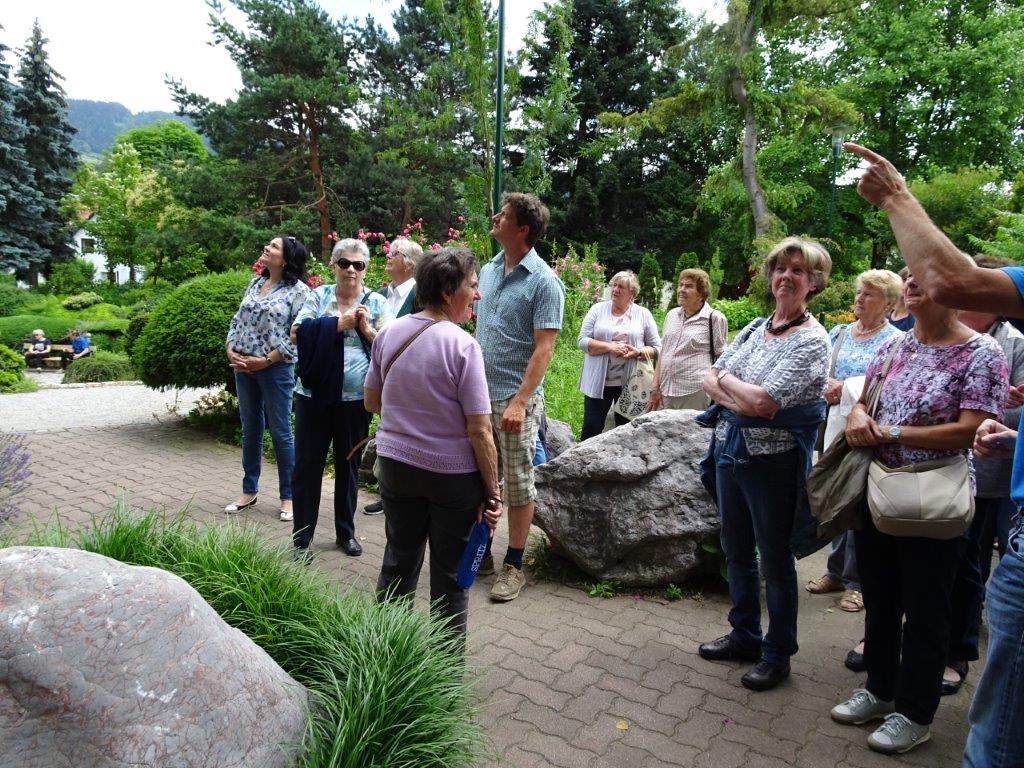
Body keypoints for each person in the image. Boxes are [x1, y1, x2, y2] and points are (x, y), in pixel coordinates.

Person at [830, 268, 1007, 754]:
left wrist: (892, 433)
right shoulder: (897, 345)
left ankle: (914, 713)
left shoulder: (981, 353)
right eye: (907, 276)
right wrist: (859, 414)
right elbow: (865, 398)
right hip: (879, 491)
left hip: (935, 499)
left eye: (924, 277)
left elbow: (972, 428)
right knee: (881, 597)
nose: (910, 283)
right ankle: (879, 689)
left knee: (927, 608)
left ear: (954, 290)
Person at [697, 236, 832, 692]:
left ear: (814, 283)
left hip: (773, 463)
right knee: (736, 549)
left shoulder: (812, 341)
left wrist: (729, 384)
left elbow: (764, 401)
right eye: (780, 268)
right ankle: (745, 635)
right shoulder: (757, 326)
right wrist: (734, 390)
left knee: (775, 560)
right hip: (730, 450)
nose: (786, 276)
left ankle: (778, 654)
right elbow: (709, 378)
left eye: (798, 270)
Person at [365, 248, 502, 641]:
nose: (477, 294)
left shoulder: (389, 333)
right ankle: (442, 674)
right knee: (450, 580)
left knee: (398, 564)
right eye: (472, 285)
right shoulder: (463, 346)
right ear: (447, 291)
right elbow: (480, 431)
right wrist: (493, 492)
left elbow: (372, 401)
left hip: (396, 468)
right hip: (452, 481)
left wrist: (410, 420)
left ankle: (383, 658)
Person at [475, 192, 564, 602]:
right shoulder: (488, 270)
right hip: (477, 398)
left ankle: (514, 565)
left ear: (522, 229)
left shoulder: (545, 281)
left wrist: (521, 401)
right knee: (479, 480)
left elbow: (544, 349)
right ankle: (481, 553)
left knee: (517, 484)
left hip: (514, 401)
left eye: (504, 215)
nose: (495, 217)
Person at [942, 257, 1024, 698]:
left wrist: (1006, 404)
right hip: (956, 471)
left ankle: (960, 652)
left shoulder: (1014, 343)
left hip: (998, 477)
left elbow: (1017, 409)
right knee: (956, 563)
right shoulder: (949, 332)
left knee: (979, 564)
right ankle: (944, 642)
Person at [807, 269, 903, 614]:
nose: (859, 298)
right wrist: (827, 384)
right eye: (859, 291)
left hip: (867, 432)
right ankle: (835, 572)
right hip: (834, 428)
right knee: (836, 496)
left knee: (858, 503)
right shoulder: (840, 333)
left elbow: (890, 387)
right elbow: (818, 370)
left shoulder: (895, 341)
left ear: (888, 303)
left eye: (869, 294)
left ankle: (857, 584)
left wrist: (844, 387)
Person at [290, 238, 392, 559]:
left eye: (358, 265)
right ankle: (302, 539)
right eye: (345, 263)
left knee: (349, 467)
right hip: (313, 397)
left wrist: (365, 329)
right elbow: (296, 332)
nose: (351, 270)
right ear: (333, 265)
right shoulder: (318, 296)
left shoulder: (377, 302)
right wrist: (338, 324)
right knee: (307, 467)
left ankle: (345, 533)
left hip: (355, 401)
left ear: (366, 269)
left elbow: (389, 345)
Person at [223, 236, 310, 521]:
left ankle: (289, 497)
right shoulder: (255, 283)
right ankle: (249, 491)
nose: (266, 248)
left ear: (286, 259)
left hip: (275, 369)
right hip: (243, 367)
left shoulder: (299, 292)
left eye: (273, 247)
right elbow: (237, 320)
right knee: (250, 430)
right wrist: (230, 350)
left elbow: (299, 336)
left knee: (281, 432)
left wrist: (266, 361)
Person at [363, 236, 427, 518]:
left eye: (395, 253)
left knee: (403, 432)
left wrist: (371, 334)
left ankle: (399, 494)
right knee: (384, 430)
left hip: (406, 378)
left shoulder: (420, 297)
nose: (388, 257)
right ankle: (386, 491)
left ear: (410, 264)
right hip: (377, 374)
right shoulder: (379, 294)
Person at [577, 270, 661, 440]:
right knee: (591, 429)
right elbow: (582, 341)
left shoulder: (643, 314)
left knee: (627, 431)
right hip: (598, 382)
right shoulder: (597, 309)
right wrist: (609, 347)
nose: (615, 290)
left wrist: (638, 352)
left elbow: (657, 348)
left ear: (632, 292)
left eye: (621, 287)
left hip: (631, 384)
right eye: (614, 285)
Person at [648, 268, 727, 413]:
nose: (682, 290)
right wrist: (655, 385)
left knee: (692, 428)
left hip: (694, 391)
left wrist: (716, 389)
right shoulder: (671, 315)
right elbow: (664, 351)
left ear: (701, 294)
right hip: (666, 390)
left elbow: (722, 358)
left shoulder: (714, 318)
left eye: (689, 286)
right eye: (681, 285)